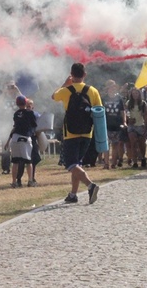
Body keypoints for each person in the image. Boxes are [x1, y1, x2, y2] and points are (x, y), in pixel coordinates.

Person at [51, 62, 102, 204]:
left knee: (71, 164)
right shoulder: (93, 91)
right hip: (87, 133)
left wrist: (65, 84)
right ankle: (73, 194)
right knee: (77, 164)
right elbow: (99, 111)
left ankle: (91, 186)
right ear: (85, 74)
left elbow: (53, 97)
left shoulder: (66, 90)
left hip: (70, 133)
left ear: (71, 75)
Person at [4, 95, 37, 188]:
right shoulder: (30, 113)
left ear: (17, 104)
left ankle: (14, 182)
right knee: (28, 161)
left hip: (15, 138)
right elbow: (34, 124)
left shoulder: (16, 114)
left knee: (15, 161)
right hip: (25, 138)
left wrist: (7, 142)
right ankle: (30, 181)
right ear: (25, 102)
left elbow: (15, 127)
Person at [103, 80, 127, 169]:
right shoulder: (104, 98)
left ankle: (113, 163)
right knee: (106, 145)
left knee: (115, 144)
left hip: (117, 124)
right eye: (111, 87)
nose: (112, 88)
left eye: (114, 87)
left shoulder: (119, 98)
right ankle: (106, 163)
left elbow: (122, 111)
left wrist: (124, 122)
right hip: (106, 124)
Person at [126, 87, 147, 168]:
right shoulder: (128, 103)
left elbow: (146, 116)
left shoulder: (143, 103)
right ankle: (135, 161)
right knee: (133, 143)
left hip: (140, 125)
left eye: (137, 93)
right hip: (132, 126)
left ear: (139, 94)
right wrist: (128, 119)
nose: (135, 95)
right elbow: (126, 113)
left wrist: (146, 126)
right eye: (133, 93)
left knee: (142, 144)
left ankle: (143, 158)